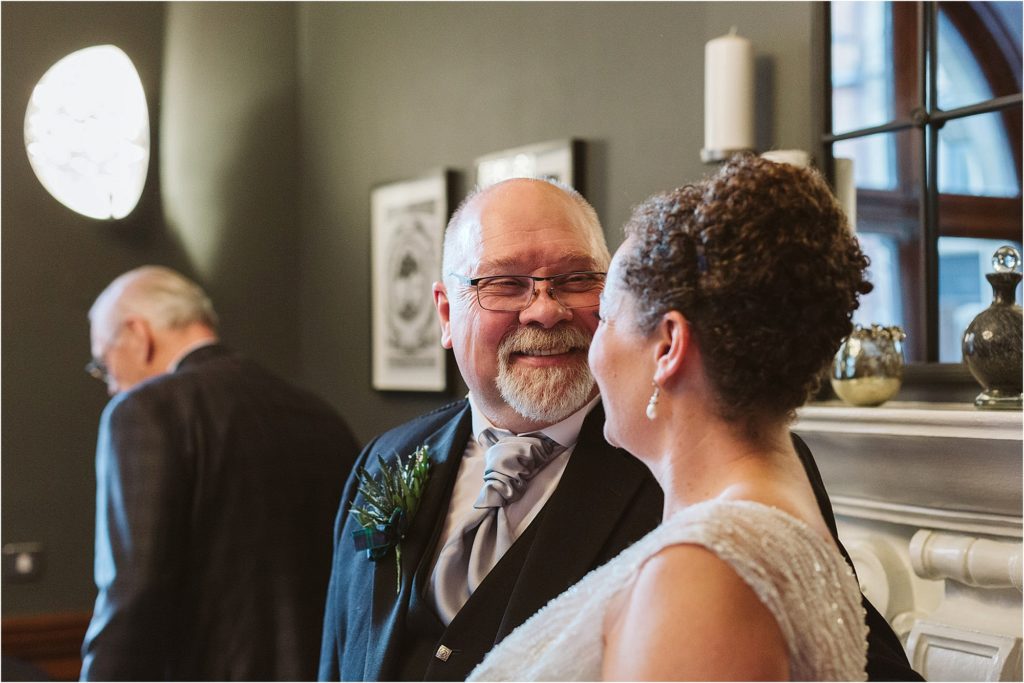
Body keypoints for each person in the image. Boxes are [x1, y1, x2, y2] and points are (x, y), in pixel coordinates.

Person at [319, 177, 921, 681]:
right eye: (505, 283)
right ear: (447, 313)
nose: (546, 310)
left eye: (581, 283)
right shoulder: (386, 458)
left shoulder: (721, 479)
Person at [469, 155, 877, 680]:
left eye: (607, 317)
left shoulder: (702, 574)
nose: (594, 351)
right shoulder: (770, 513)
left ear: (667, 347)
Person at [80, 266, 359, 681]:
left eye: (104, 363)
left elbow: (133, 592)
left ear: (138, 334)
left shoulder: (144, 411)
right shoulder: (319, 414)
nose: (111, 385)